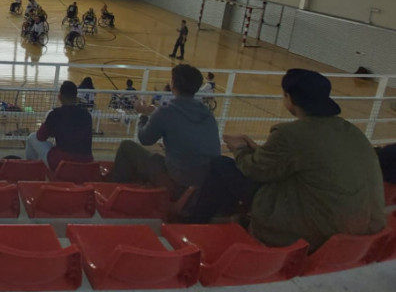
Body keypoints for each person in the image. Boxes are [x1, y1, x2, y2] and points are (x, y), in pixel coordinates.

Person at [186, 69, 386, 251]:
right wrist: (259, 149)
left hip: (321, 230)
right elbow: (309, 163)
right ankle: (226, 220)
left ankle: (194, 225)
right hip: (365, 225)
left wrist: (239, 149)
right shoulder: (350, 131)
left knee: (221, 165)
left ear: (289, 98)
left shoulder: (291, 134)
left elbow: (254, 170)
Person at [110, 64, 220, 197]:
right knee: (157, 157)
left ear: (173, 85)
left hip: (179, 180)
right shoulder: (207, 114)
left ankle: (116, 192)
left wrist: (143, 114)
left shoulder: (166, 112)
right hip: (205, 181)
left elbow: (144, 138)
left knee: (126, 147)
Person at [25, 81, 93, 170]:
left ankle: (30, 171)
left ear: (59, 97)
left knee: (31, 137)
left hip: (62, 162)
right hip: (87, 162)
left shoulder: (55, 114)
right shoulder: (87, 115)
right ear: (76, 97)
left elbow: (40, 137)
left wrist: (48, 124)